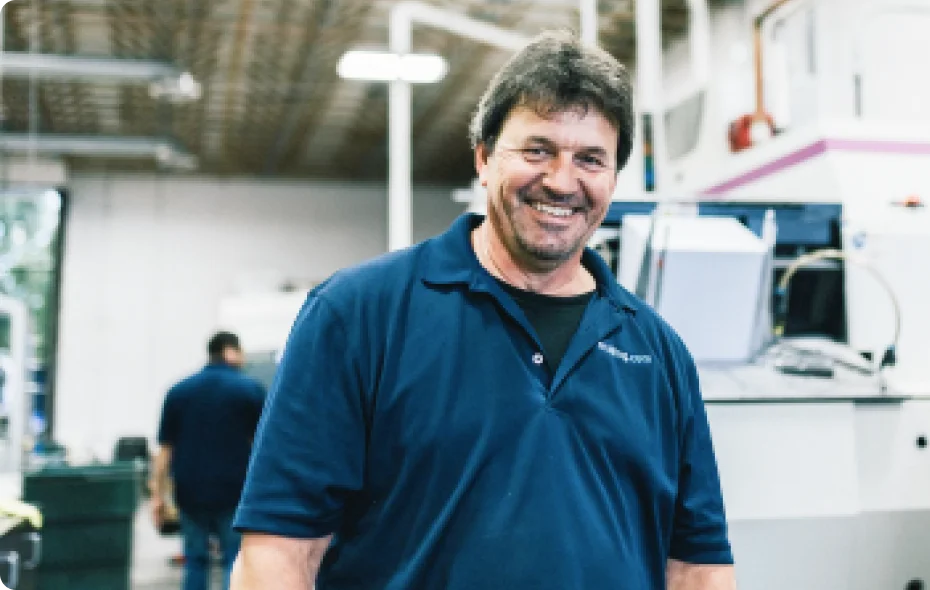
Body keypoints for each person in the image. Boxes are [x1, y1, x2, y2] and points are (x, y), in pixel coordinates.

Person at [231, 30, 735, 590]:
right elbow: (277, 556)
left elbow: (697, 567)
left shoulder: (659, 351)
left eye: (590, 159)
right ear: (484, 158)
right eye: (537, 150)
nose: (562, 181)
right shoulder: (358, 316)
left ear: (614, 179)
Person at [151, 331, 266, 590]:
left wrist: (157, 495)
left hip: (190, 492)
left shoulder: (178, 391)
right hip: (234, 491)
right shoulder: (249, 391)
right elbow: (262, 447)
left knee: (195, 560)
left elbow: (165, 451)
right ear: (230, 351)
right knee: (233, 559)